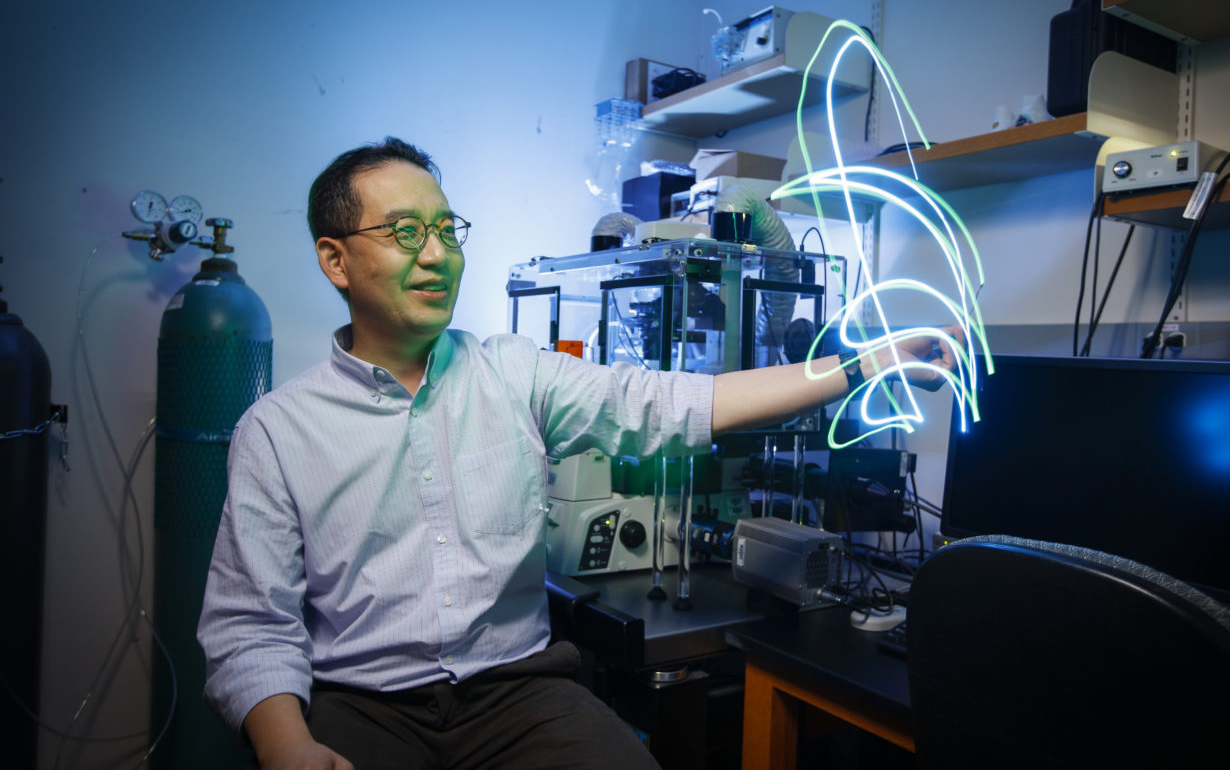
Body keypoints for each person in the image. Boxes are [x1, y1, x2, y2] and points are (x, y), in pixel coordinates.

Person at [198, 137, 960, 770]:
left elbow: (670, 404)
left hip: (518, 695)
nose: (436, 255)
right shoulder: (277, 430)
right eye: (405, 234)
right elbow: (248, 625)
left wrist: (861, 364)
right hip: (364, 705)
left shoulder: (512, 371)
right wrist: (287, 744)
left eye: (447, 229)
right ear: (335, 260)